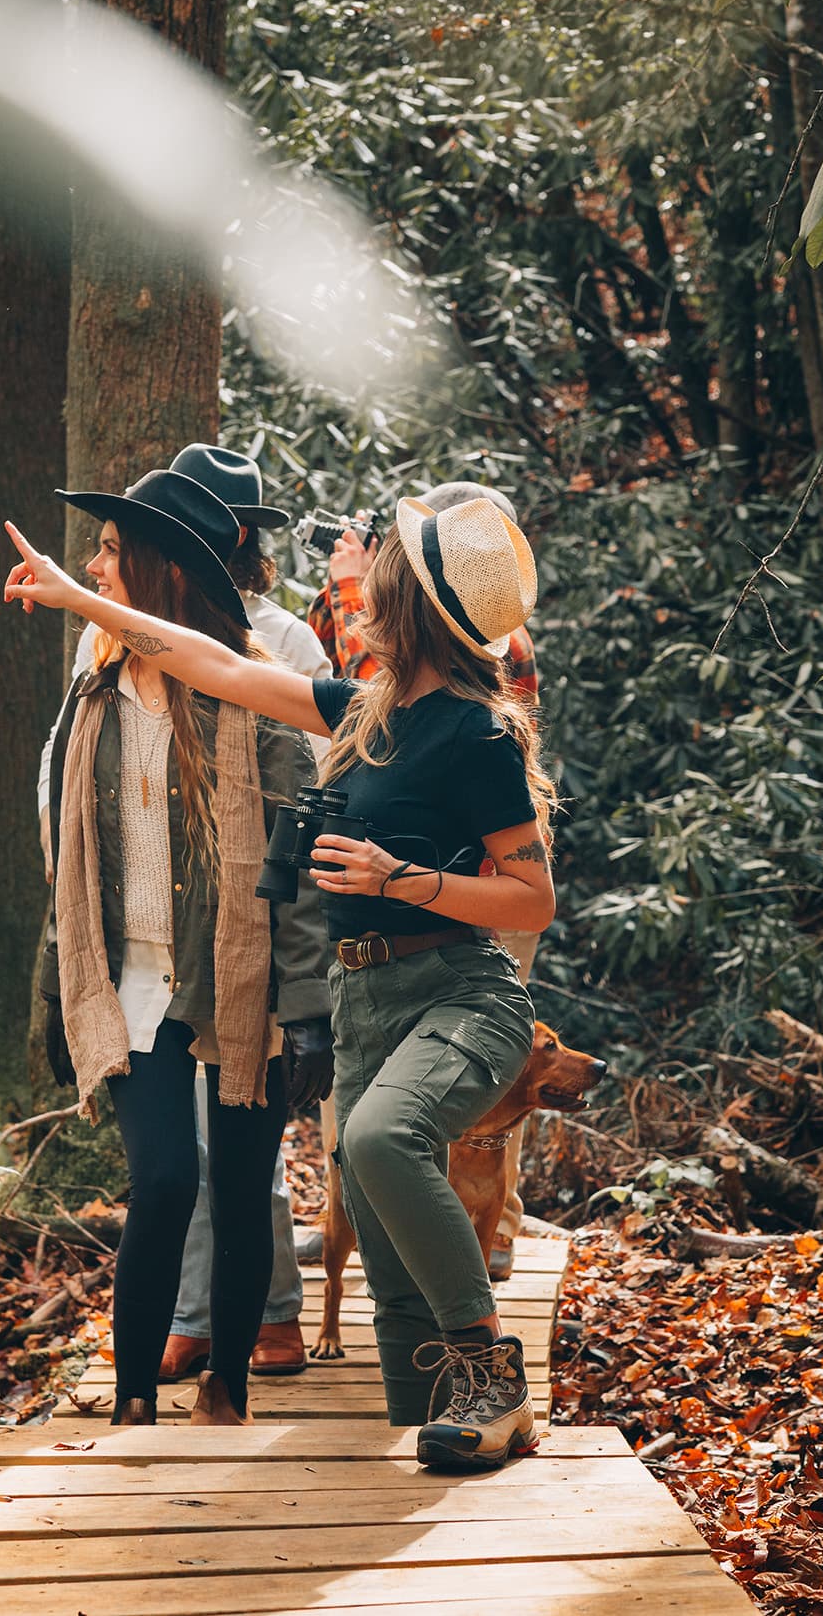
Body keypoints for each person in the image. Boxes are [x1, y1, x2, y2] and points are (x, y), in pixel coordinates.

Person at [9, 481, 557, 1473]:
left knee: (385, 1142)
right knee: (387, 1272)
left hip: (455, 987)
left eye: (374, 583)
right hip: (365, 1002)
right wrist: (76, 597)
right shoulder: (361, 710)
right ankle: (431, 1444)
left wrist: (407, 879)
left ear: (411, 609)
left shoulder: (475, 733)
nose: (356, 596)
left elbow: (531, 899)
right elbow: (211, 658)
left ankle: (492, 1372)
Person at [35, 464, 327, 1428]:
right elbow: (69, 863)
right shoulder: (95, 691)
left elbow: (299, 865)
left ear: (159, 568)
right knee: (161, 1177)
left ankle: (228, 1385)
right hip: (134, 979)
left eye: (113, 550)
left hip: (238, 979)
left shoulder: (249, 692)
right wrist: (56, 993)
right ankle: (129, 1400)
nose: (95, 564)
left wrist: (309, 1010)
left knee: (242, 1188)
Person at [308, 491, 541, 1279]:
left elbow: (529, 890)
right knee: (392, 1132)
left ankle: (485, 1240)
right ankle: (468, 1229)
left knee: (412, 1115)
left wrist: (398, 876)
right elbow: (239, 672)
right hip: (388, 945)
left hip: (460, 918)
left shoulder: (473, 717)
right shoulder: (417, 687)